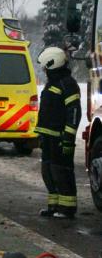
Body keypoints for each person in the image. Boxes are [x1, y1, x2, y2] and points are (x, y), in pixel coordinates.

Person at [35, 47, 81, 219]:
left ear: (52, 63)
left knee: (61, 171)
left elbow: (74, 112)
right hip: (48, 137)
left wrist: (68, 137)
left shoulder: (67, 84)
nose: (44, 70)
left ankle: (67, 208)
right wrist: (41, 135)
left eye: (45, 67)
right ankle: (54, 205)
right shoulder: (53, 82)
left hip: (60, 138)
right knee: (48, 170)